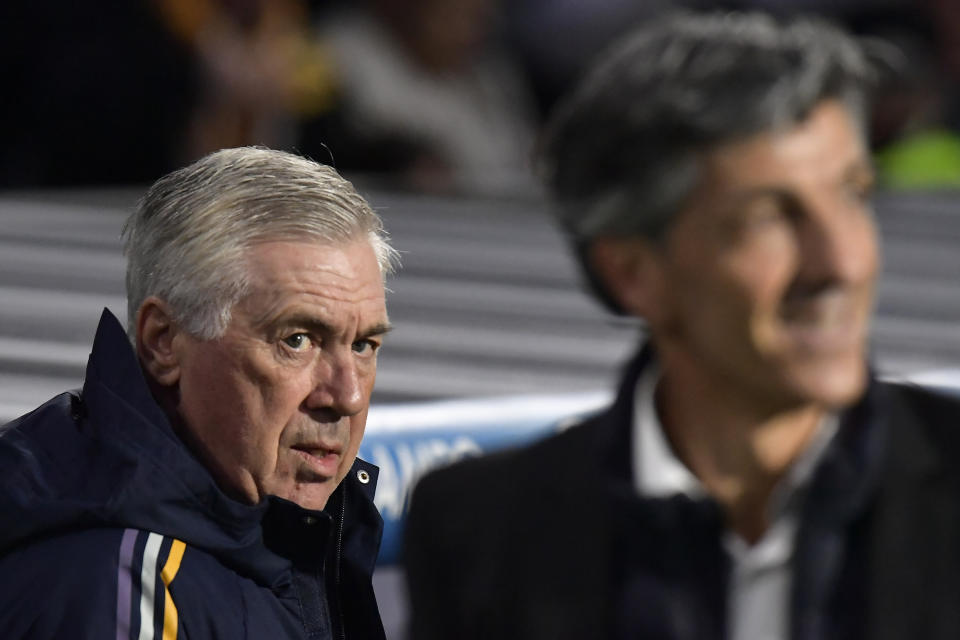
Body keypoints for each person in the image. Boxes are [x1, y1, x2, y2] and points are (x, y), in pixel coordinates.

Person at [403, 11, 960, 640]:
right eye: (771, 216)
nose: (843, 262)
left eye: (854, 194)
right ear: (634, 272)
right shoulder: (482, 531)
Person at [0, 147, 398, 639]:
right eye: (296, 340)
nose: (348, 395)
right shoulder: (118, 589)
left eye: (363, 345)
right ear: (163, 341)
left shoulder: (294, 535)